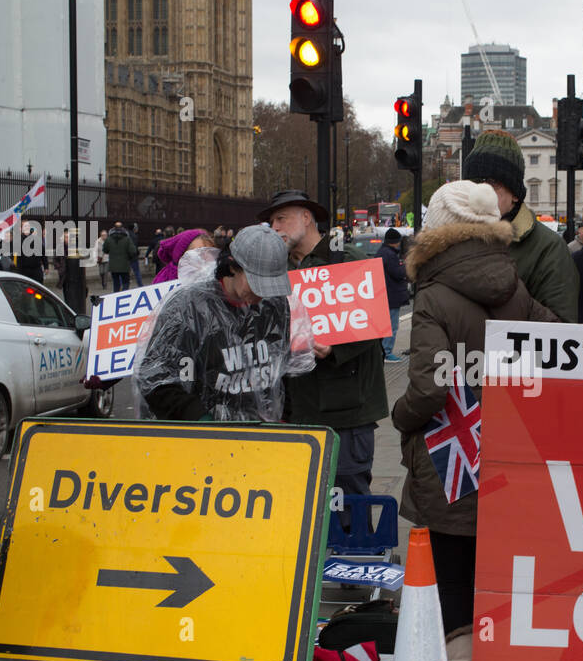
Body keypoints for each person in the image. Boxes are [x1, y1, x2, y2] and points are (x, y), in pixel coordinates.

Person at [390, 180, 558, 661]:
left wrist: (401, 416)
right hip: (506, 455)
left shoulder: (434, 295)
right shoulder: (515, 290)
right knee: (495, 578)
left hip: (448, 461)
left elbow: (427, 388)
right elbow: (558, 348)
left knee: (454, 581)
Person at [261, 189, 388, 495]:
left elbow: (374, 323)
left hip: (344, 411)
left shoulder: (344, 258)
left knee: (347, 504)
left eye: (281, 219)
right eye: (271, 221)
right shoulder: (282, 269)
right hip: (297, 408)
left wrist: (335, 349)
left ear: (306, 218)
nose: (274, 227)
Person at [135, 224, 316, 422]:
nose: (263, 293)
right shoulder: (188, 307)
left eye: (270, 284)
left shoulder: (276, 303)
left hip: (262, 434)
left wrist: (284, 418)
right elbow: (155, 378)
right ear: (232, 267)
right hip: (202, 438)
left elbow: (282, 370)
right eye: (257, 283)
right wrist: (199, 418)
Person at [463, 129, 579, 323]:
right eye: (474, 183)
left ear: (515, 194)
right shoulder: (452, 240)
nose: (481, 192)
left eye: (492, 183)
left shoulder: (549, 249)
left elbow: (561, 332)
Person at [378, 228, 409, 362]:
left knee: (385, 325)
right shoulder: (390, 255)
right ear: (395, 242)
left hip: (384, 294)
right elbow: (398, 273)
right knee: (392, 326)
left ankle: (383, 351)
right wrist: (406, 266)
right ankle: (387, 352)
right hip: (391, 295)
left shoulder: (382, 252)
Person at [104, 221, 136, 292]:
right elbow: (133, 251)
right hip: (125, 265)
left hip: (113, 266)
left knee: (116, 282)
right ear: (122, 228)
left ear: (114, 228)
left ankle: (116, 295)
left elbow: (105, 250)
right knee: (126, 282)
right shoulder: (127, 239)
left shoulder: (109, 239)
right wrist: (129, 258)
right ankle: (125, 294)